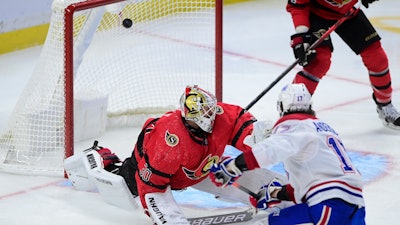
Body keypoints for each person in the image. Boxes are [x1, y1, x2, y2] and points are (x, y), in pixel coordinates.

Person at [64, 84, 278, 224]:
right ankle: (100, 158)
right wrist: (170, 219)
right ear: (189, 116)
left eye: (211, 111)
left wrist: (256, 135)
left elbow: (240, 123)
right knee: (123, 186)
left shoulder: (218, 115)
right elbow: (152, 187)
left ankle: (282, 196)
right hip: (152, 168)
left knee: (265, 180)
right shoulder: (169, 143)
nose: (210, 116)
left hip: (201, 167)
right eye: (204, 113)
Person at [210, 83, 366, 225]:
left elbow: (271, 150)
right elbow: (313, 183)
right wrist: (276, 193)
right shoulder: (323, 128)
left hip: (329, 204)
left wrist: (234, 167)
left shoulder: (294, 125)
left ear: (282, 106)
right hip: (354, 205)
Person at [286, 0, 400, 129]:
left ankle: (385, 105)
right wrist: (302, 34)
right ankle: (292, 110)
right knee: (318, 62)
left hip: (349, 12)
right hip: (316, 13)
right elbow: (296, 5)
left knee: (377, 59)